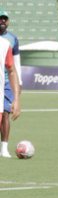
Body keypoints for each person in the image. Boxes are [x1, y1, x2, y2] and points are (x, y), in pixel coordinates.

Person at [0, 10, 19, 158]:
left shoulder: (10, 41)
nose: (2, 21)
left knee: (5, 114)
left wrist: (18, 88)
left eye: (4, 18)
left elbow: (13, 67)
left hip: (4, 83)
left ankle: (4, 148)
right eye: (0, 18)